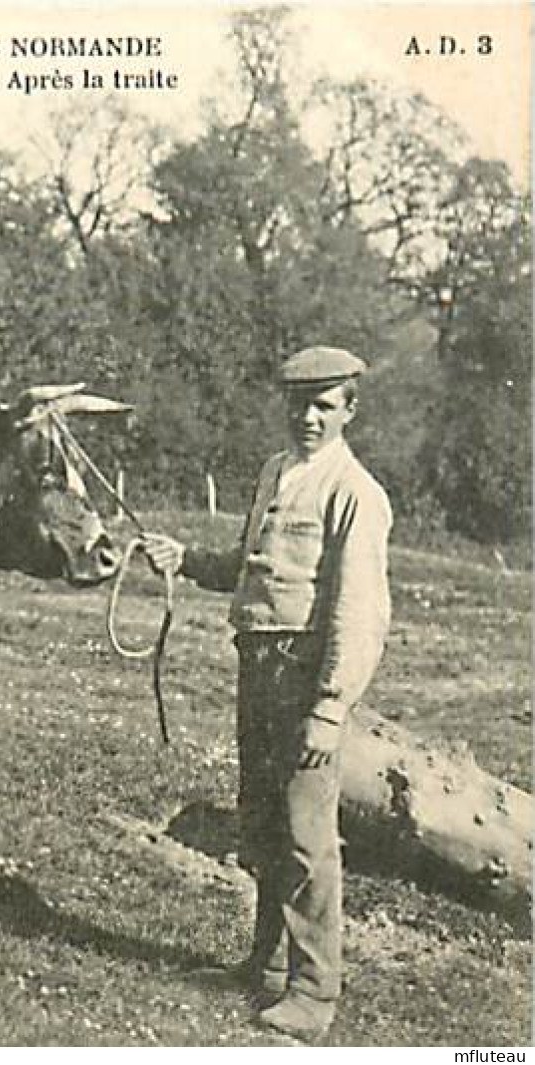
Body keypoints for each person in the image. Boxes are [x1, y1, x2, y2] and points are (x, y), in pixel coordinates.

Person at [143, 345, 391, 1041]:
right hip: (257, 663)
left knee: (308, 836)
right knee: (262, 822)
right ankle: (269, 965)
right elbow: (248, 566)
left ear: (349, 410)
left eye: (324, 404)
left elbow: (359, 613)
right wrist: (186, 558)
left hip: (305, 673)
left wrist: (328, 707)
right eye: (298, 403)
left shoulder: (355, 493)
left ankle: (314, 993)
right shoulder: (274, 472)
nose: (308, 416)